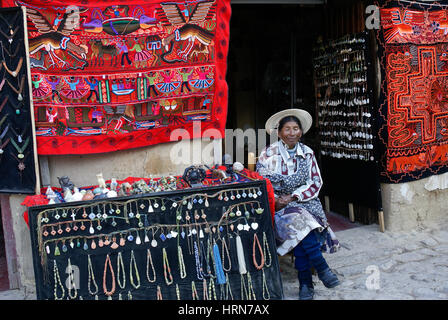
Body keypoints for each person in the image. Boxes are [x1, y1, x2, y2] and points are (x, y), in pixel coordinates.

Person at [256, 108, 340, 300]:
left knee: (302, 228)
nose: (292, 133)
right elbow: (263, 182)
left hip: (306, 203)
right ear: (279, 132)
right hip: (278, 205)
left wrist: (293, 196)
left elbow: (315, 182)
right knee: (301, 224)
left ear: (301, 132)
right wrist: (279, 199)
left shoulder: (307, 153)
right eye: (287, 129)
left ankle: (306, 284)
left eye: (296, 129)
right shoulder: (268, 154)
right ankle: (320, 268)